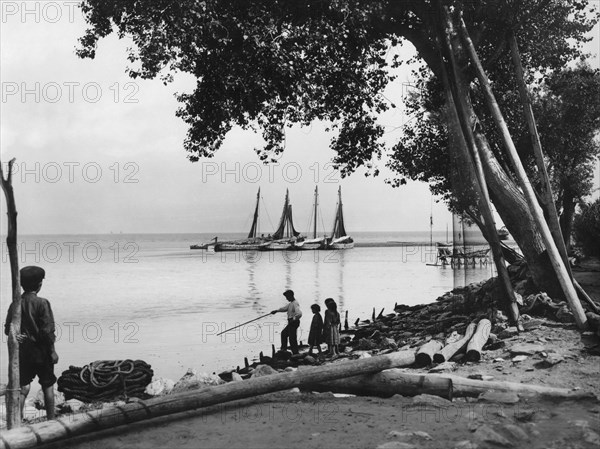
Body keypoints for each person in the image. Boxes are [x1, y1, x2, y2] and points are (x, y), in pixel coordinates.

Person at [3, 266, 59, 420]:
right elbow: (47, 332)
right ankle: (51, 419)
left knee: (23, 387)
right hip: (42, 352)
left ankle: (17, 420)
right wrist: (52, 351)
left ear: (22, 285)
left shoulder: (15, 304)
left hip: (23, 353)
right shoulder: (42, 303)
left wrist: (16, 335)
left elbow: (8, 329)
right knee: (47, 385)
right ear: (40, 284)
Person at [271, 289, 302, 354]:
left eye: (287, 297)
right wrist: (276, 311)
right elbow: (284, 308)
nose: (286, 298)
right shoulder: (291, 303)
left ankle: (295, 353)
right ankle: (284, 349)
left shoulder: (295, 303)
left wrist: (293, 319)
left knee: (292, 338)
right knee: (284, 334)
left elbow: (299, 314)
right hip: (291, 322)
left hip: (293, 322)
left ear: (291, 296)